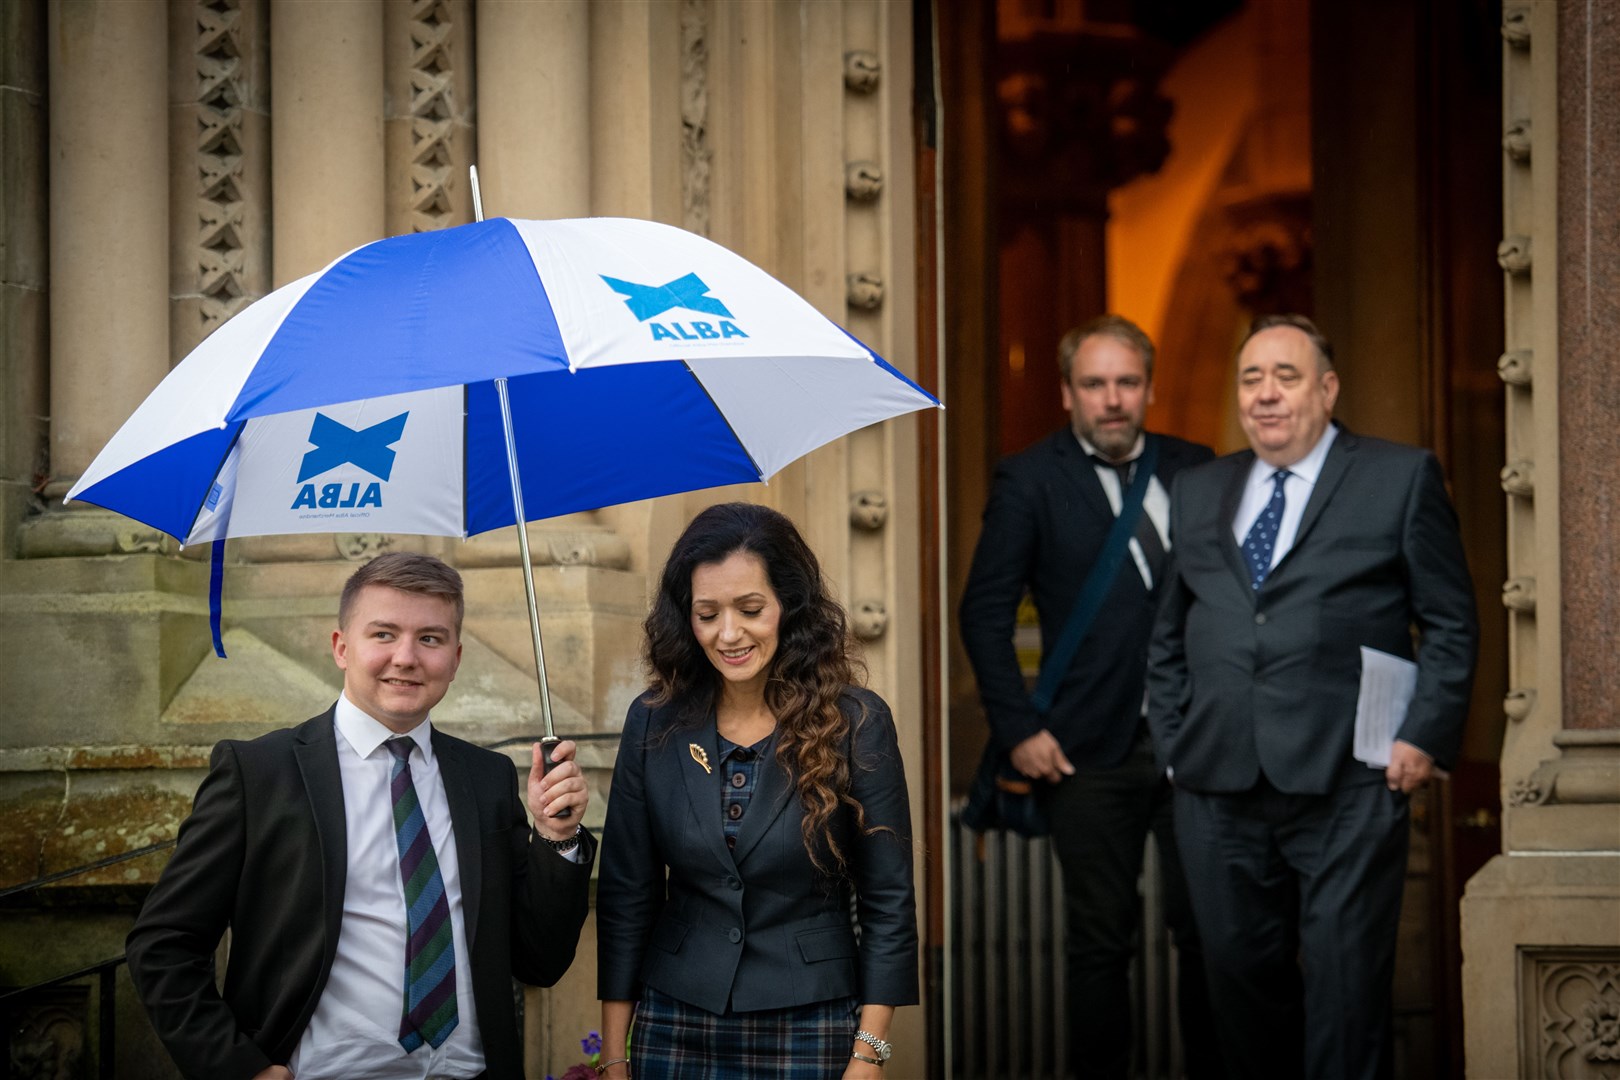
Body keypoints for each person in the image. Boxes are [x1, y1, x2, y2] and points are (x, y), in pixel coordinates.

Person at [1147, 314, 1478, 1080]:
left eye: (1285, 377)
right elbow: (1168, 631)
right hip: (1215, 781)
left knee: (1347, 990)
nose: (1265, 395)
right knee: (1237, 986)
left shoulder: (1400, 476)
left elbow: (1452, 621)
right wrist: (1173, 745)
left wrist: (1424, 735)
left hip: (1350, 784)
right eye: (1251, 379)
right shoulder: (1199, 489)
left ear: (1327, 390)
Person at [126, 552, 595, 1080]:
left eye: (430, 639)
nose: (406, 657)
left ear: (456, 658)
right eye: (384, 634)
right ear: (341, 647)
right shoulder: (259, 772)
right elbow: (163, 946)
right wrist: (239, 1068)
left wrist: (557, 837)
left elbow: (540, 960)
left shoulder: (485, 778)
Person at [959, 314, 1217, 1078]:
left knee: (1210, 935)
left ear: (1150, 389)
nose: (1113, 400)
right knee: (1100, 944)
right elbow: (984, 613)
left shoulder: (1199, 469)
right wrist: (1017, 731)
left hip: (1195, 747)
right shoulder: (1029, 477)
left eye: (1127, 383)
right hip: (1081, 754)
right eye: (1096, 384)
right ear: (1067, 391)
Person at [595, 502, 918, 1080]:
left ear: (788, 607)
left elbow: (888, 900)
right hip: (674, 1021)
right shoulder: (653, 721)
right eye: (707, 614)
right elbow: (627, 895)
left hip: (812, 1021)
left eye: (750, 609)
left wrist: (869, 1054)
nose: (728, 633)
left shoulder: (856, 721)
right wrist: (614, 1056)